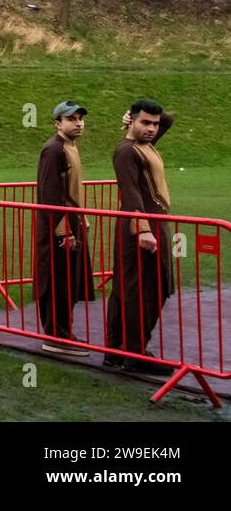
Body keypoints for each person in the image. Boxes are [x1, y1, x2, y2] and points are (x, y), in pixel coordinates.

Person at [103, 100, 176, 375]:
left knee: (140, 288)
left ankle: (118, 351)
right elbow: (131, 192)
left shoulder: (145, 144)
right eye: (145, 122)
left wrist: (142, 119)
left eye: (155, 124)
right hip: (141, 226)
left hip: (152, 223)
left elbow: (168, 120)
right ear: (131, 121)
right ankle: (133, 352)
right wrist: (143, 229)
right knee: (141, 290)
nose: (152, 128)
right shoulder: (126, 151)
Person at [35, 102, 95, 355]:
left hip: (72, 222)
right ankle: (56, 337)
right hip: (59, 227)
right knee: (58, 280)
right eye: (72, 119)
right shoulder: (54, 150)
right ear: (58, 123)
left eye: (81, 118)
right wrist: (64, 231)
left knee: (69, 281)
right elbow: (49, 194)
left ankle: (64, 332)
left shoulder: (70, 147)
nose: (78, 123)